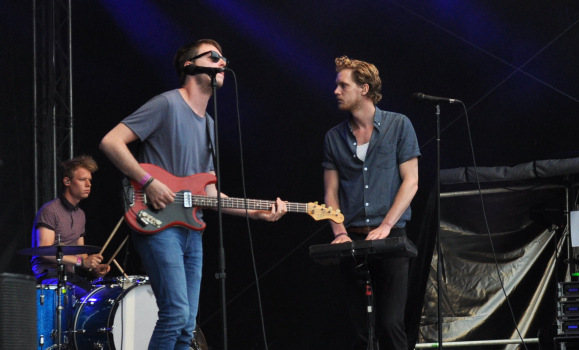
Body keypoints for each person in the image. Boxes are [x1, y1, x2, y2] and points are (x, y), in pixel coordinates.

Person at [100, 39, 288, 350]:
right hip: (157, 224)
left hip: (192, 229)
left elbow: (210, 192)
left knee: (187, 326)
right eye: (214, 56)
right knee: (175, 315)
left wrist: (256, 212)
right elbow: (111, 142)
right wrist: (148, 181)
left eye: (223, 57)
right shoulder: (166, 104)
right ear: (190, 65)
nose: (222, 62)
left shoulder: (210, 126)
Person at [323, 55, 419, 350]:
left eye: (343, 85)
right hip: (353, 240)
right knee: (361, 330)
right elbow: (330, 193)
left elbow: (411, 181)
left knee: (390, 324)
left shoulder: (398, 125)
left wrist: (387, 225)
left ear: (364, 88)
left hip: (391, 239)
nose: (336, 91)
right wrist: (339, 232)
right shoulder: (333, 137)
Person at [31, 155, 111, 297]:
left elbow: (81, 253)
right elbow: (44, 251)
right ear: (67, 181)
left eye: (90, 180)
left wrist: (93, 268)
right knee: (84, 297)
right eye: (82, 179)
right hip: (49, 276)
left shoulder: (80, 214)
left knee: (101, 296)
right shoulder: (50, 210)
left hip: (70, 277)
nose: (88, 184)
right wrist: (82, 262)